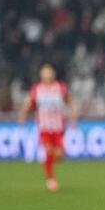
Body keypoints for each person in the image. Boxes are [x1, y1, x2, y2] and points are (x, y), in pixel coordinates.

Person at [18, 63, 76, 192]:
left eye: (49, 72)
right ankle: (50, 179)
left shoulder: (60, 88)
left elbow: (69, 103)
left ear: (53, 74)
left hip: (58, 128)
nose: (47, 74)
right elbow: (29, 105)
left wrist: (73, 119)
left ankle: (51, 166)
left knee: (59, 155)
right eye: (44, 72)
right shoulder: (37, 89)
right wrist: (23, 116)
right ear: (41, 75)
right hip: (44, 127)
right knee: (48, 151)